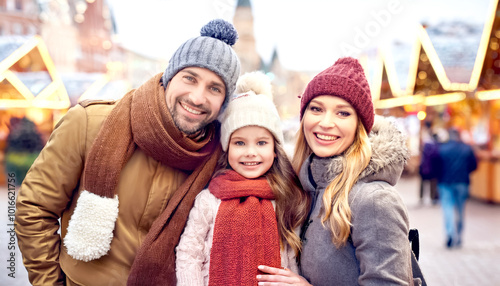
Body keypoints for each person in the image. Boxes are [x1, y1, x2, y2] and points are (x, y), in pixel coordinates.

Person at [15, 19, 241, 285]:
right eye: (190, 78)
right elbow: (35, 208)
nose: (197, 97)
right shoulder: (90, 122)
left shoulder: (220, 156)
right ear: (170, 77)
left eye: (215, 88)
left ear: (224, 102)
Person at [257, 57, 418, 285]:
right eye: (316, 109)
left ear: (358, 126)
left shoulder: (374, 200)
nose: (325, 122)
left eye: (342, 113)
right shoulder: (306, 186)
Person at [175, 72, 309, 285]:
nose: (250, 152)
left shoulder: (286, 197)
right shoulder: (210, 199)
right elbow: (189, 254)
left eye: (261, 143)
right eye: (239, 143)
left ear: (275, 149)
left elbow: (291, 255)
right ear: (226, 149)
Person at [437, 128, 477, 248]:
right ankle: (459, 236)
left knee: (447, 208)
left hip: (445, 182)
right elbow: (474, 165)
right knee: (460, 210)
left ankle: (450, 233)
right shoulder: (467, 148)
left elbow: (437, 166)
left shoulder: (442, 149)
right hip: (462, 182)